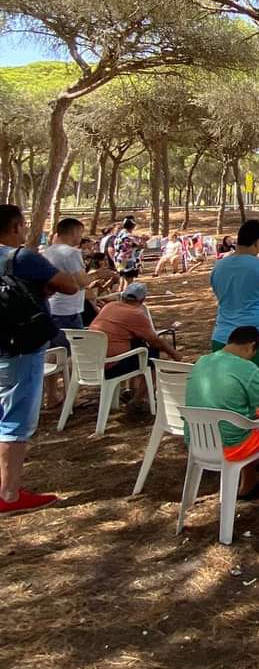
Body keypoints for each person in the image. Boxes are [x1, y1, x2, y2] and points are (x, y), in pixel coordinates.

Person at [0, 203, 80, 514]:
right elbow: (69, 285)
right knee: (15, 421)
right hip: (21, 348)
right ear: (16, 227)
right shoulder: (23, 258)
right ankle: (9, 494)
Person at [185, 326, 259, 507]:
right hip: (233, 446)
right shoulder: (246, 367)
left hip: (197, 442)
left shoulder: (202, 361)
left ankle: (249, 482)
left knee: (247, 417)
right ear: (251, 346)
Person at [209, 219, 259, 386]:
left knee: (226, 390)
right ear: (258, 241)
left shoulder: (219, 266)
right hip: (256, 343)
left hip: (222, 337)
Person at [91, 281, 182, 394]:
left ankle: (133, 388)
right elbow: (155, 341)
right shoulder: (135, 314)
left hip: (91, 363)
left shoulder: (109, 306)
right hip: (110, 365)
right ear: (142, 300)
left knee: (139, 345)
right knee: (152, 355)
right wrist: (174, 354)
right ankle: (141, 397)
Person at [44, 216, 89, 347]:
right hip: (68, 311)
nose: (81, 237)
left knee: (56, 350)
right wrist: (98, 274)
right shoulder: (71, 253)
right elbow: (82, 282)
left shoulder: (48, 251)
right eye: (81, 233)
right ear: (74, 232)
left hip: (52, 307)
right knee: (75, 350)